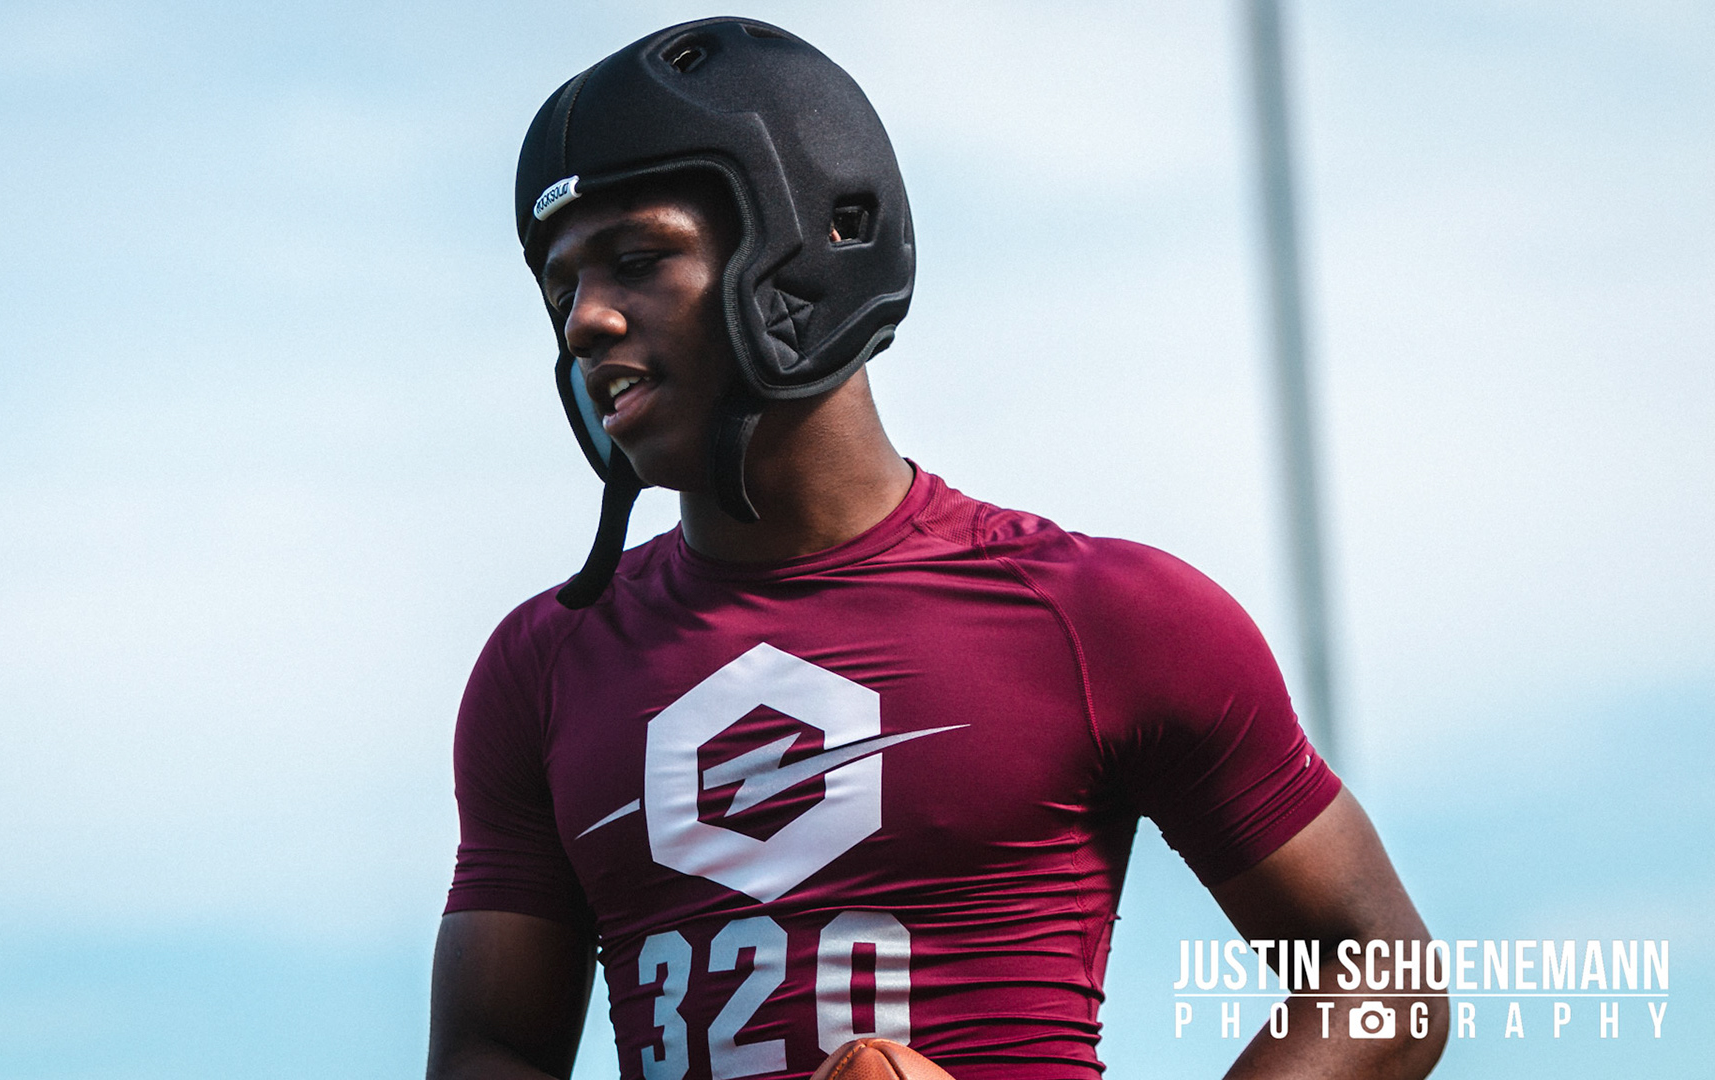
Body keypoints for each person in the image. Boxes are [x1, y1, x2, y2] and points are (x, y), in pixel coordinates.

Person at [427, 17, 1444, 1080]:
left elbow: (1383, 978)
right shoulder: (542, 669)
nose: (585, 322)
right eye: (562, 289)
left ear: (813, 242)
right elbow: (491, 1049)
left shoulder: (1106, 616)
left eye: (637, 261)